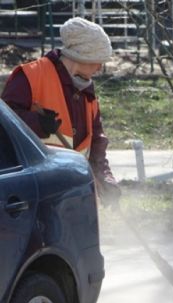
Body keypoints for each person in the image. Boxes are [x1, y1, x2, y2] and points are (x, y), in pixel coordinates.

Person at [1, 17, 120, 206]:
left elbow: (96, 145)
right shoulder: (29, 77)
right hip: (35, 197)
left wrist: (105, 178)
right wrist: (37, 124)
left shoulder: (87, 92)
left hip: (71, 197)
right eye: (97, 61)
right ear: (81, 56)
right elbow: (4, 128)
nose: (99, 68)